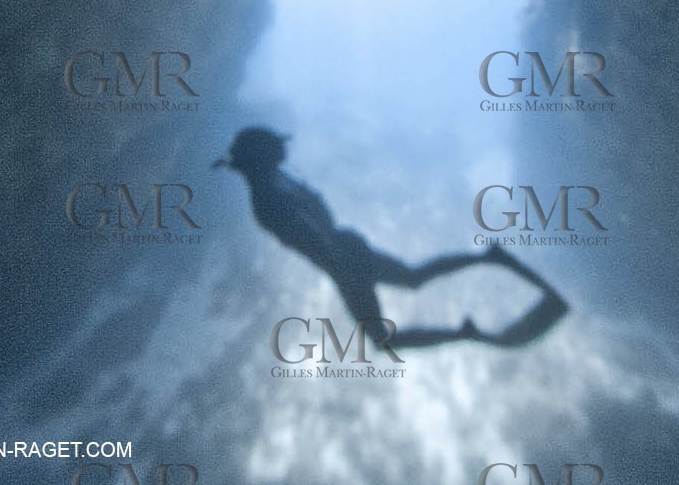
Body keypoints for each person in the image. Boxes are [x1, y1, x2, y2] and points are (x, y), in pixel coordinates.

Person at [214, 126, 568, 348]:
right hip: (348, 246)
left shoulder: (267, 196)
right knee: (414, 277)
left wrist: (342, 265)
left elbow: (308, 231)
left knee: (382, 338)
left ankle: (465, 332)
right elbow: (315, 215)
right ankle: (487, 260)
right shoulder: (278, 182)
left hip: (343, 261)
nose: (282, 150)